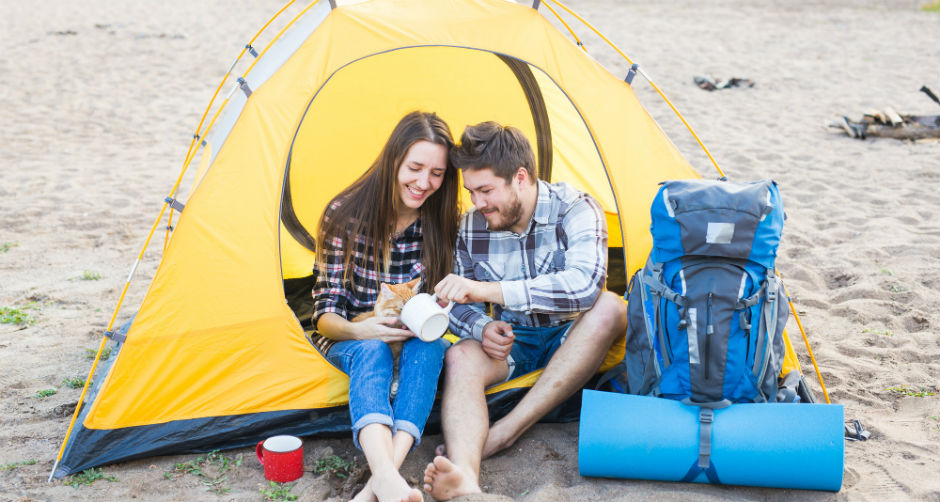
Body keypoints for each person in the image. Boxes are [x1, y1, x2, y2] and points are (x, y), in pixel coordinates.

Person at [422, 122, 627, 501]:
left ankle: (504, 432)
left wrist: (492, 291)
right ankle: (465, 477)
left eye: (486, 191)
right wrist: (482, 327)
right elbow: (454, 305)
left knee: (610, 308)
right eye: (472, 192)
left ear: (520, 177)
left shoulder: (576, 209)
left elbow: (585, 287)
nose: (478, 203)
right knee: (460, 355)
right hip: (515, 342)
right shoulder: (472, 228)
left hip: (574, 334)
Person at [312, 111, 459, 502]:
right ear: (393, 160)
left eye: (437, 174)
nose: (424, 183)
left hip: (409, 340)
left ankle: (380, 483)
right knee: (373, 349)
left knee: (430, 348)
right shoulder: (343, 216)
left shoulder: (441, 221)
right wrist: (361, 330)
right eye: (414, 168)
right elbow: (325, 315)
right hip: (354, 337)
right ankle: (389, 480)